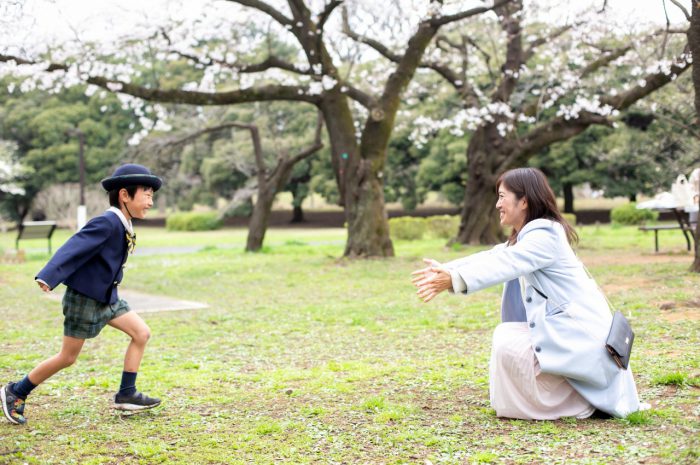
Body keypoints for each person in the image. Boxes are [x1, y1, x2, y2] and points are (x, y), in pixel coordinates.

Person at [411, 167, 641, 420]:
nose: (497, 204)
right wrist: (448, 269)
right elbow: (495, 256)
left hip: (583, 340)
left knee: (508, 340)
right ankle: (557, 398)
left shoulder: (543, 237)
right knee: (508, 335)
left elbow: (505, 264)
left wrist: (453, 280)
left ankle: (580, 402)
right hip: (574, 336)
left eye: (502, 196)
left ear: (524, 201)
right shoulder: (531, 236)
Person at [2, 164, 163, 425]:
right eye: (146, 194)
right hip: (85, 298)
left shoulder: (124, 223)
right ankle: (15, 391)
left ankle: (126, 394)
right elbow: (74, 246)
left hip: (108, 297)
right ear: (124, 195)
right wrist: (49, 275)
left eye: (152, 196)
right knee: (67, 357)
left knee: (141, 333)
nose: (150, 201)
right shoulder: (107, 222)